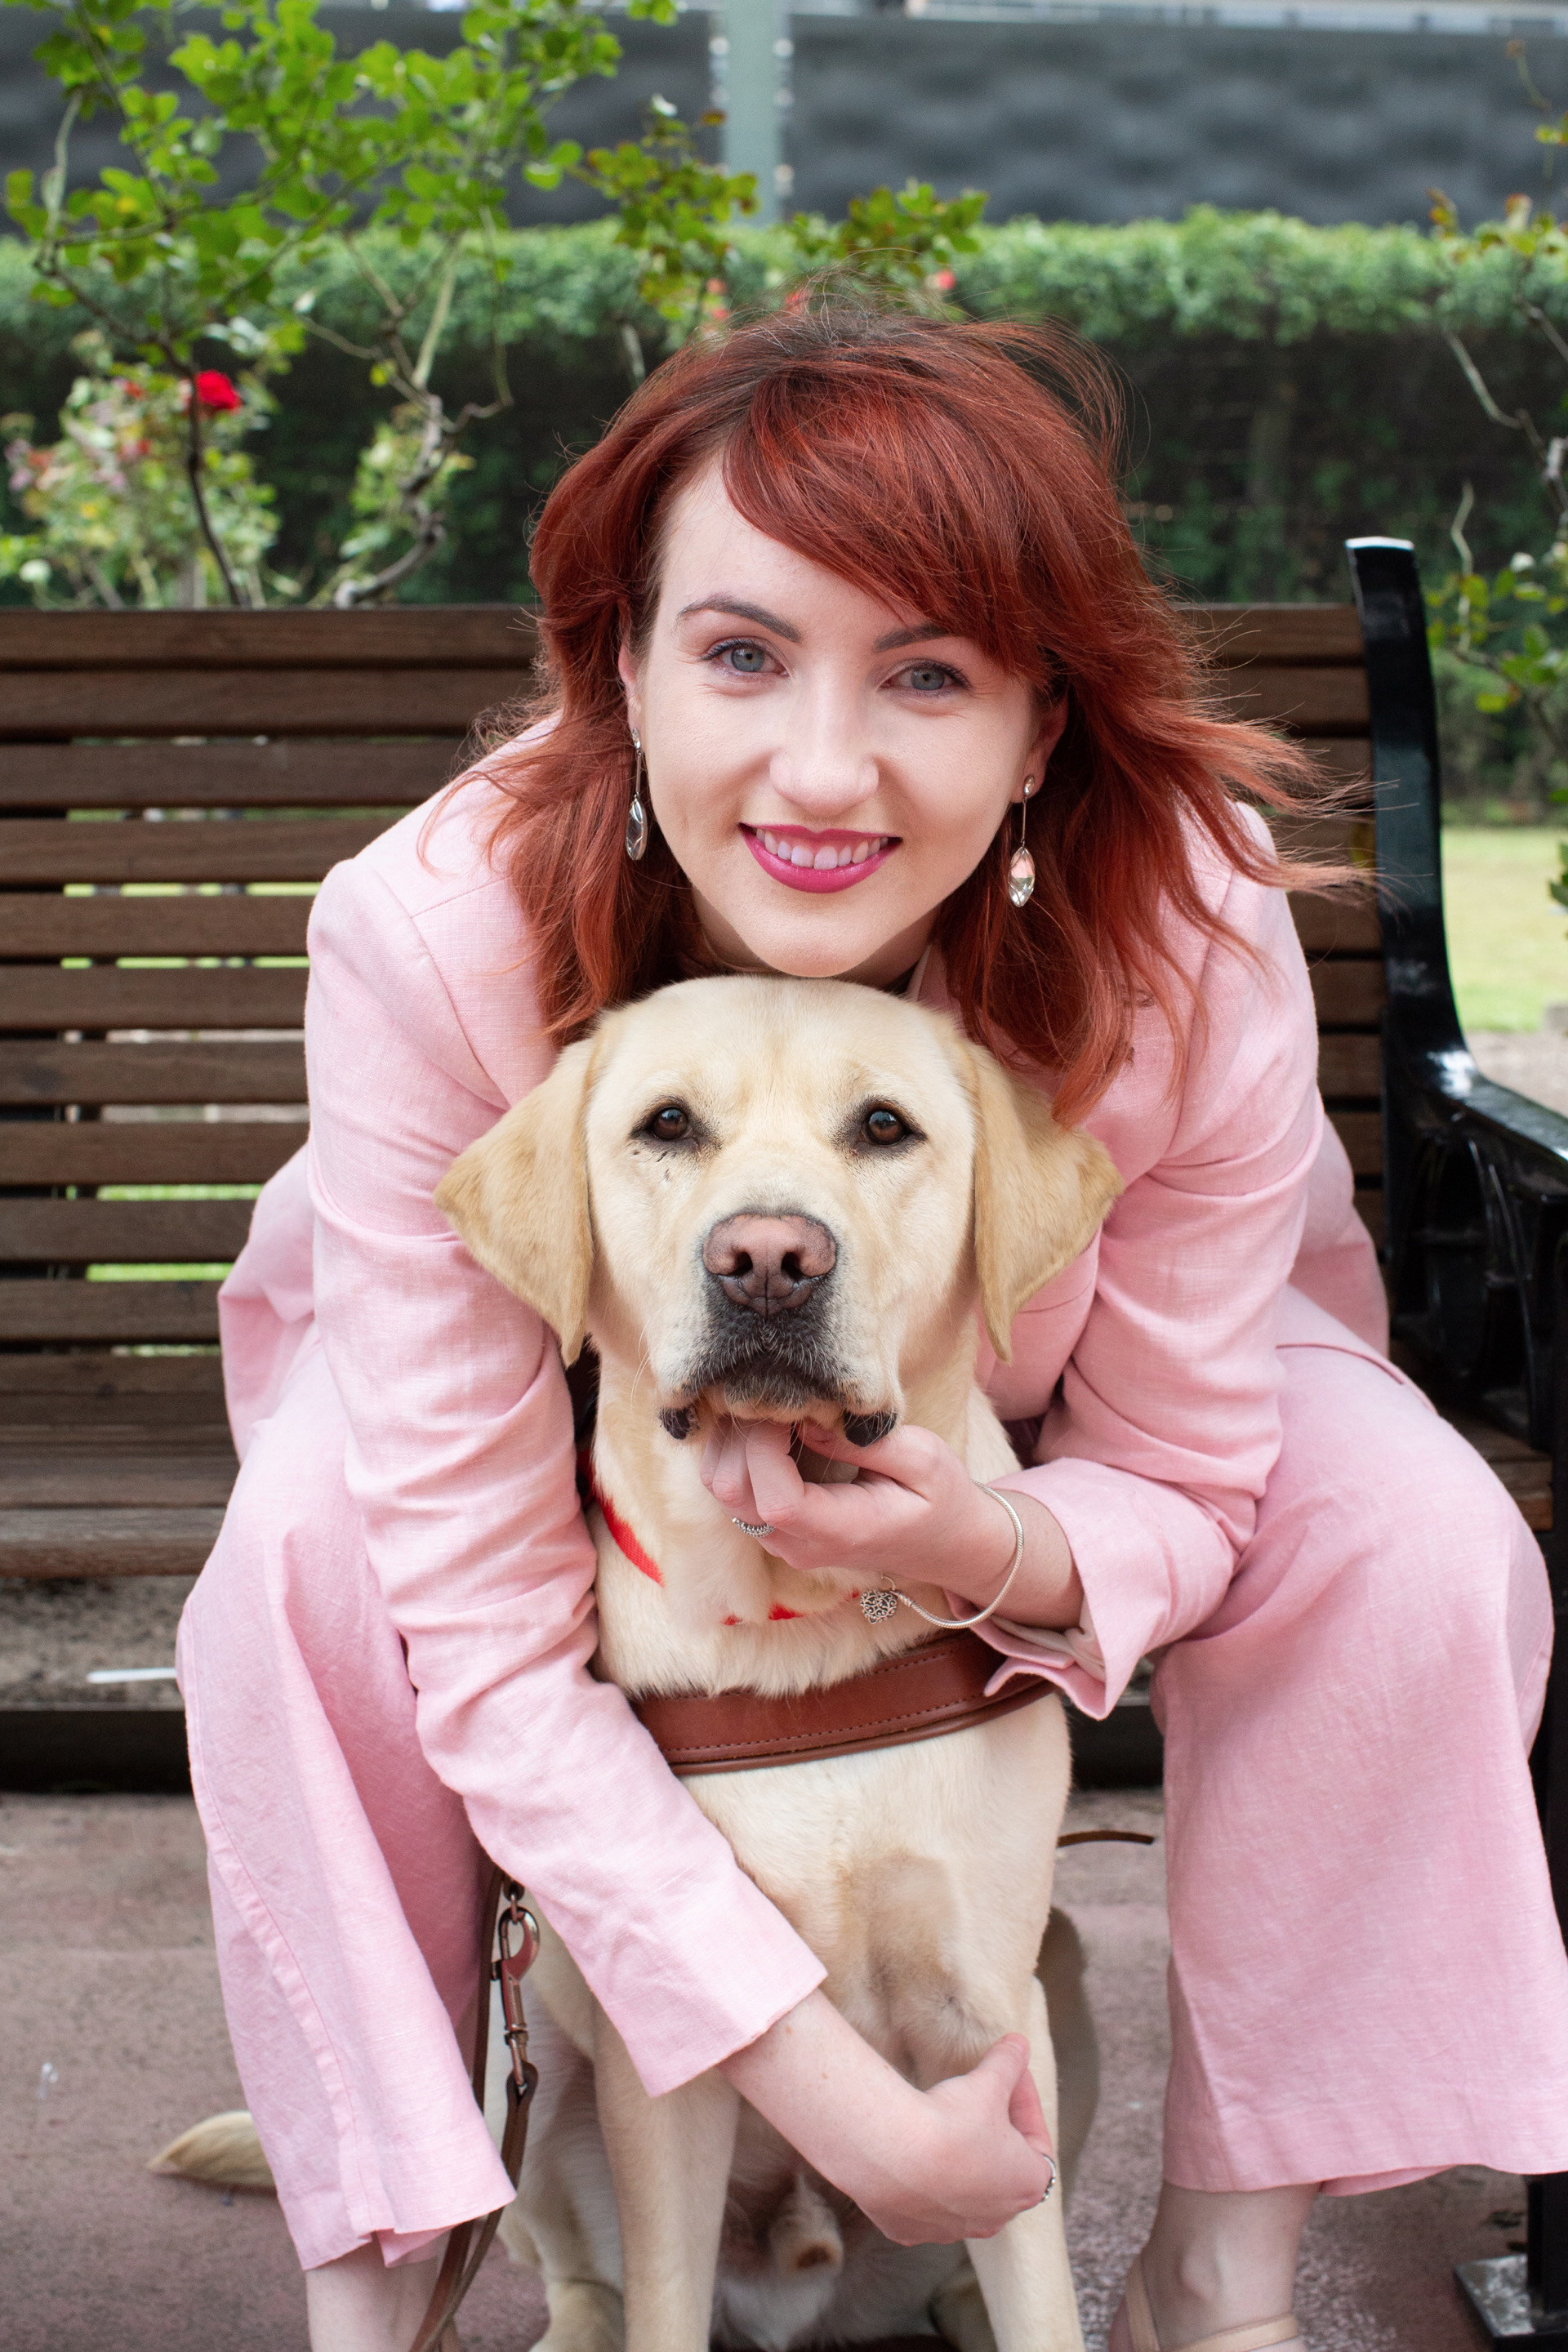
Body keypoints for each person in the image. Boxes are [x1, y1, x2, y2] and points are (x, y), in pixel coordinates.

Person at [180, 305, 1568, 2352]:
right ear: (623, 667)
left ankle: (1223, 2276)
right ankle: (386, 2266)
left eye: (926, 674)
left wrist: (973, 1544)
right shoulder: (434, 927)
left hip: (1068, 1381)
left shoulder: (1184, 920)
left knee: (1413, 1544)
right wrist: (847, 2109)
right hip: (542, 1364)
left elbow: (1188, 1457)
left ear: (1041, 731)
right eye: (743, 653)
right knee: (306, 1568)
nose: (824, 768)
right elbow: (479, 1622)